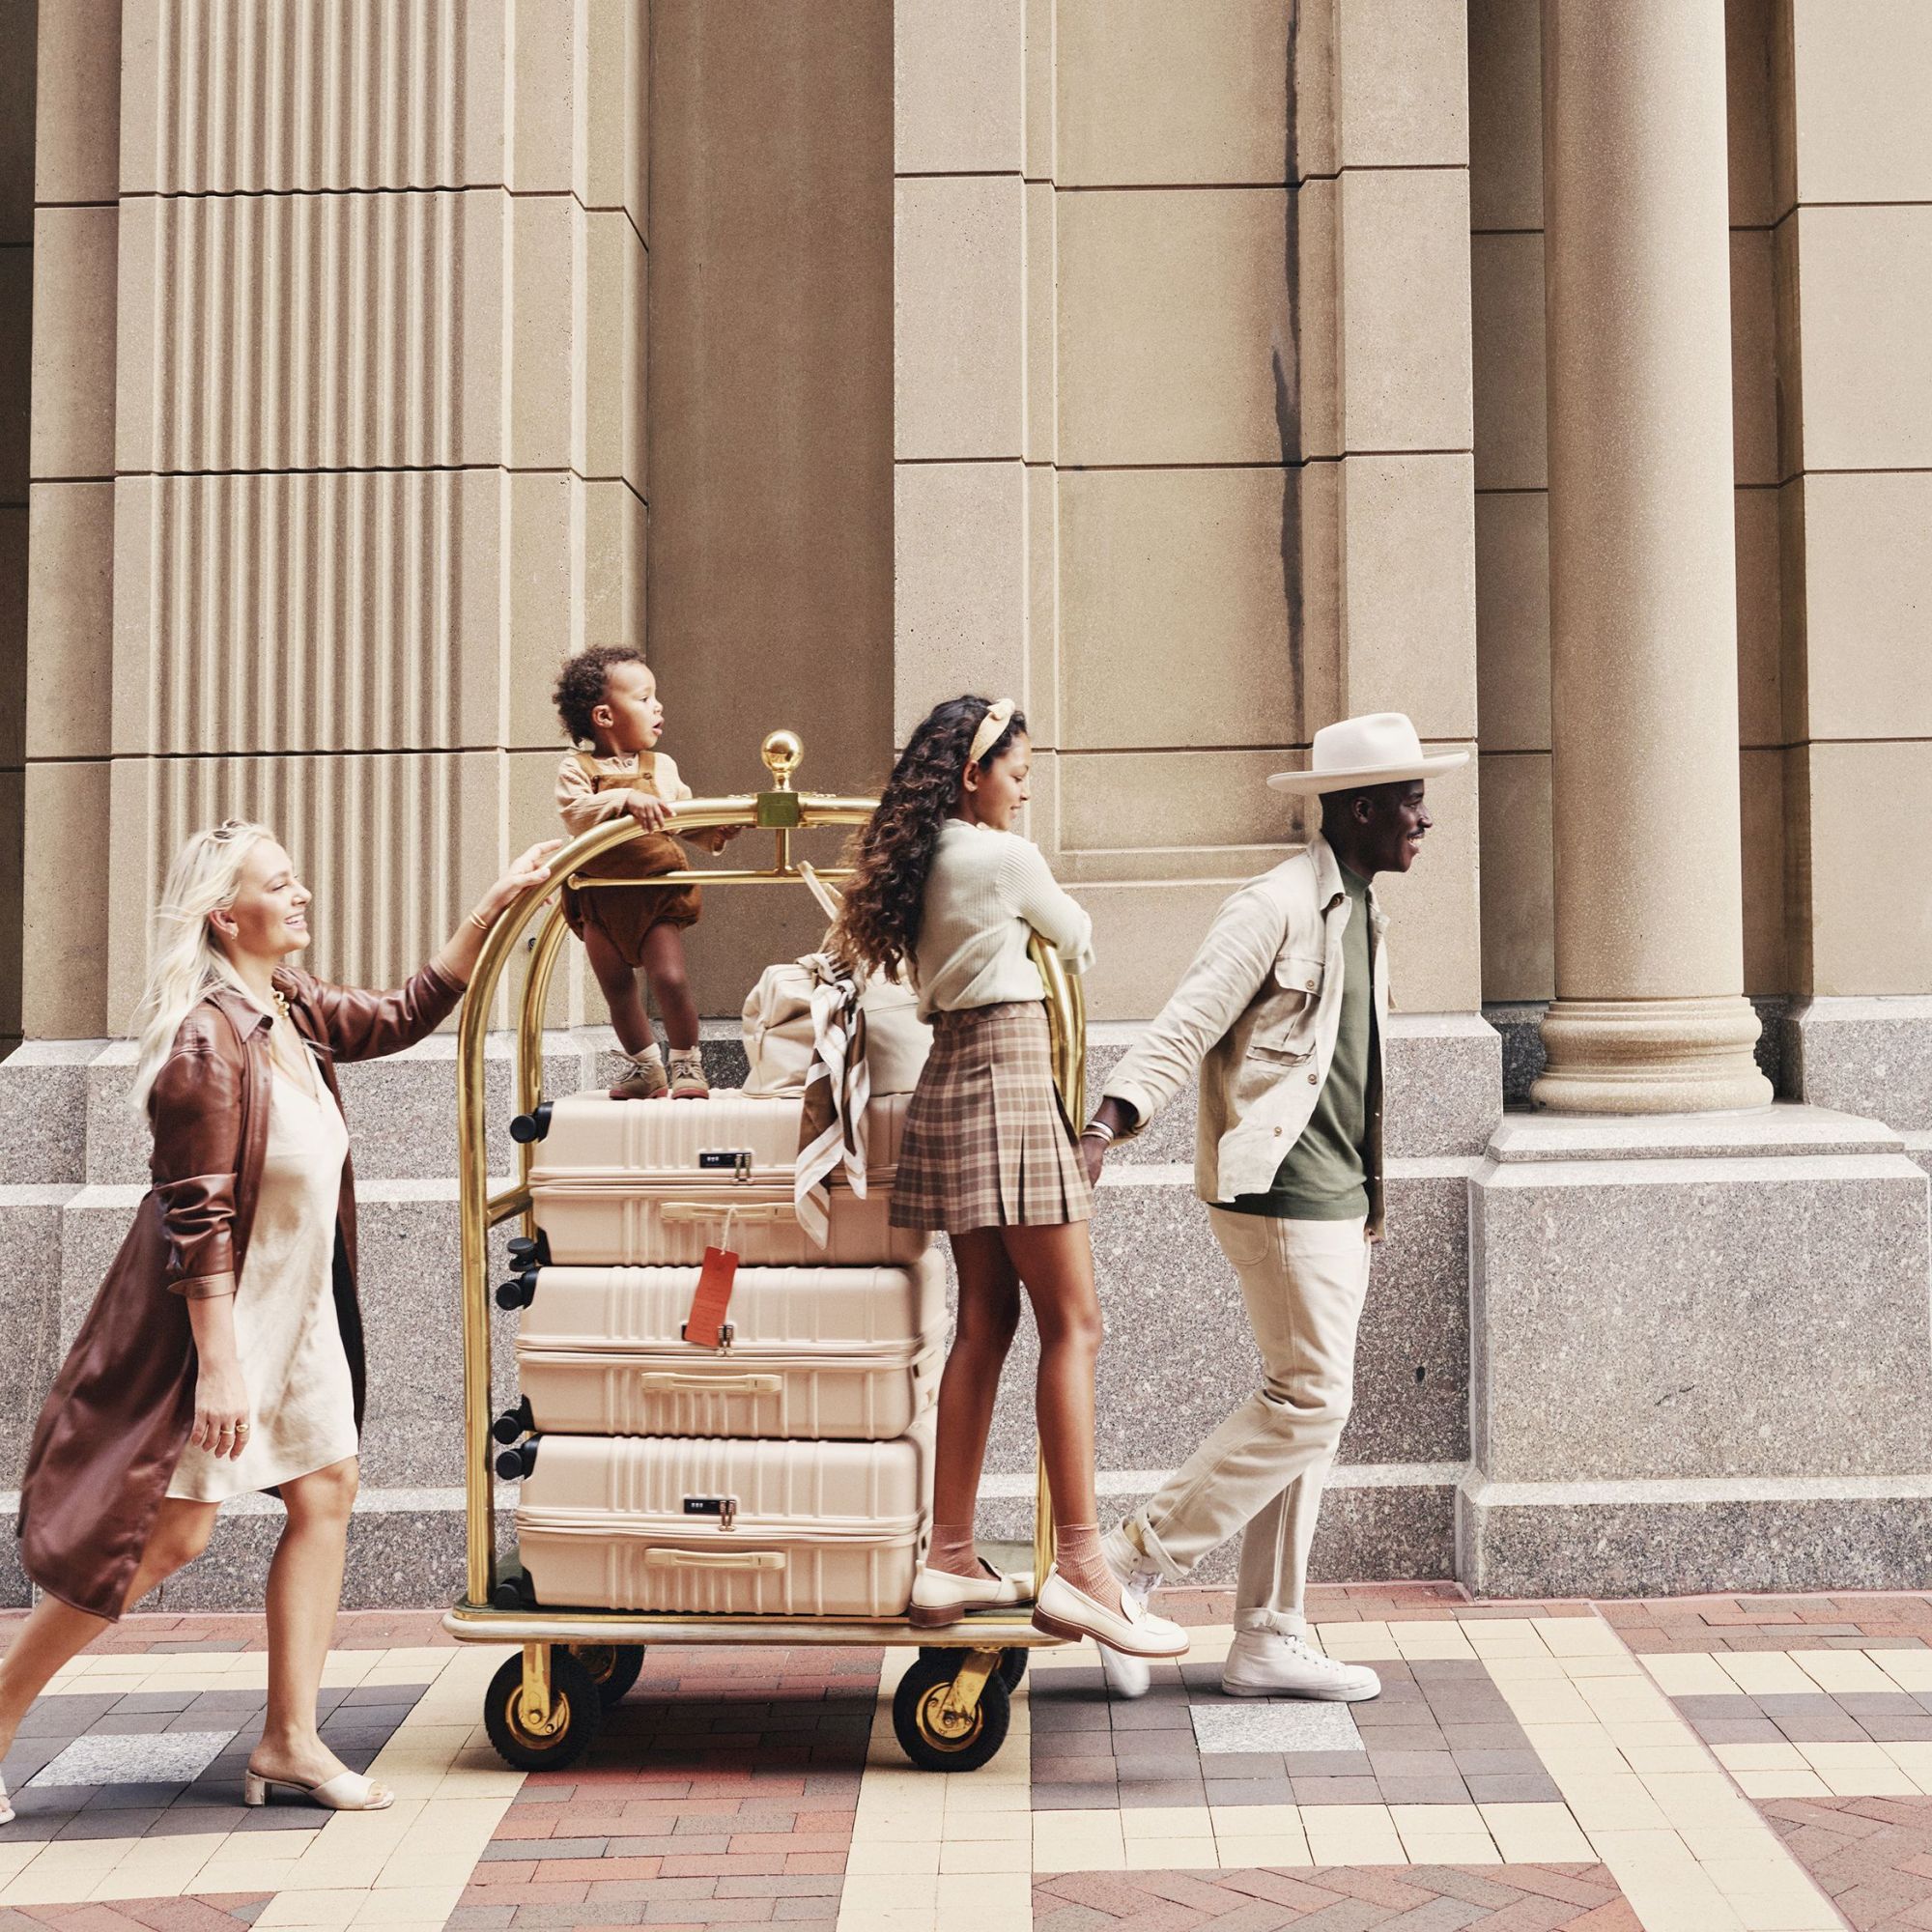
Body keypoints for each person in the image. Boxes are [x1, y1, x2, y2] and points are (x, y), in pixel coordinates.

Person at [2, 821, 558, 1818]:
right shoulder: (207, 1041)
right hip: (217, 1328)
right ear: (226, 914)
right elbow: (197, 1218)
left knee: (326, 1488)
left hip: (296, 1317)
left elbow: (400, 1014)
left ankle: (289, 1739)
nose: (301, 895)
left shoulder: (287, 1005)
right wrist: (219, 1367)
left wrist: (494, 903)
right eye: (280, 883)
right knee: (169, 1537)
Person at [1081, 713, 1467, 1699]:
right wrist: (1104, 1126)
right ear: (1363, 808)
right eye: (1410, 801)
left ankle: (1266, 1634)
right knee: (1309, 1399)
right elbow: (1185, 1021)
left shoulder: (1364, 910)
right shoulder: (1274, 905)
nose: (1424, 818)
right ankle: (1123, 1562)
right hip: (1281, 1187)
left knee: (1310, 1414)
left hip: (1340, 1196)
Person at [834, 696, 1185, 1661]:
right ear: (972, 773)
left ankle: (948, 1553)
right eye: (1017, 774)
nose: (1024, 792)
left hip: (950, 1075)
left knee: (984, 1322)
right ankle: (1082, 1567)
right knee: (1075, 1322)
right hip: (1011, 1073)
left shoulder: (922, 860)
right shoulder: (1001, 858)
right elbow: (1077, 936)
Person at [554, 646, 736, 1100]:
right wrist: (624, 799)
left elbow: (682, 819)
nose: (658, 707)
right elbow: (576, 814)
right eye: (644, 698)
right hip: (599, 897)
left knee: (669, 978)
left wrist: (717, 828)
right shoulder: (578, 769)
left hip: (654, 892)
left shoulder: (661, 768)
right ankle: (647, 1068)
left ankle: (687, 1062)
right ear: (604, 716)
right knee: (616, 988)